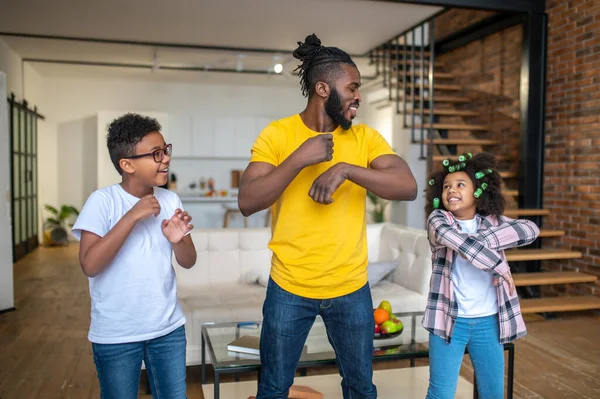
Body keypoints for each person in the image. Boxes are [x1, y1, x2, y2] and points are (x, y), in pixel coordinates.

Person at [238, 33, 418, 398]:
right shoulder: (277, 134)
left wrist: (346, 170)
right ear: (323, 88)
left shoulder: (365, 139)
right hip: (289, 286)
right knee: (273, 387)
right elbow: (248, 200)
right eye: (352, 87)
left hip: (351, 287)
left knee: (360, 387)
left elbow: (407, 185)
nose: (358, 96)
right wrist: (299, 158)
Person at [71, 113, 196, 399]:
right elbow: (90, 265)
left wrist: (178, 241)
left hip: (168, 329)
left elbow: (189, 260)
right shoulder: (102, 201)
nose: (165, 159)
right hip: (117, 335)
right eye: (155, 154)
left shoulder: (170, 200)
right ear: (127, 165)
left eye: (165, 150)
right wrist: (132, 216)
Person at [423, 152, 540, 399]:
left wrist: (483, 240)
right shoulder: (437, 220)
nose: (451, 190)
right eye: (446, 187)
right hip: (448, 321)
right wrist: (500, 265)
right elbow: (461, 245)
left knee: (493, 394)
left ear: (479, 192)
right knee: (440, 395)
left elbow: (530, 229)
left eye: (460, 185)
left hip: (488, 322)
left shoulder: (491, 222)